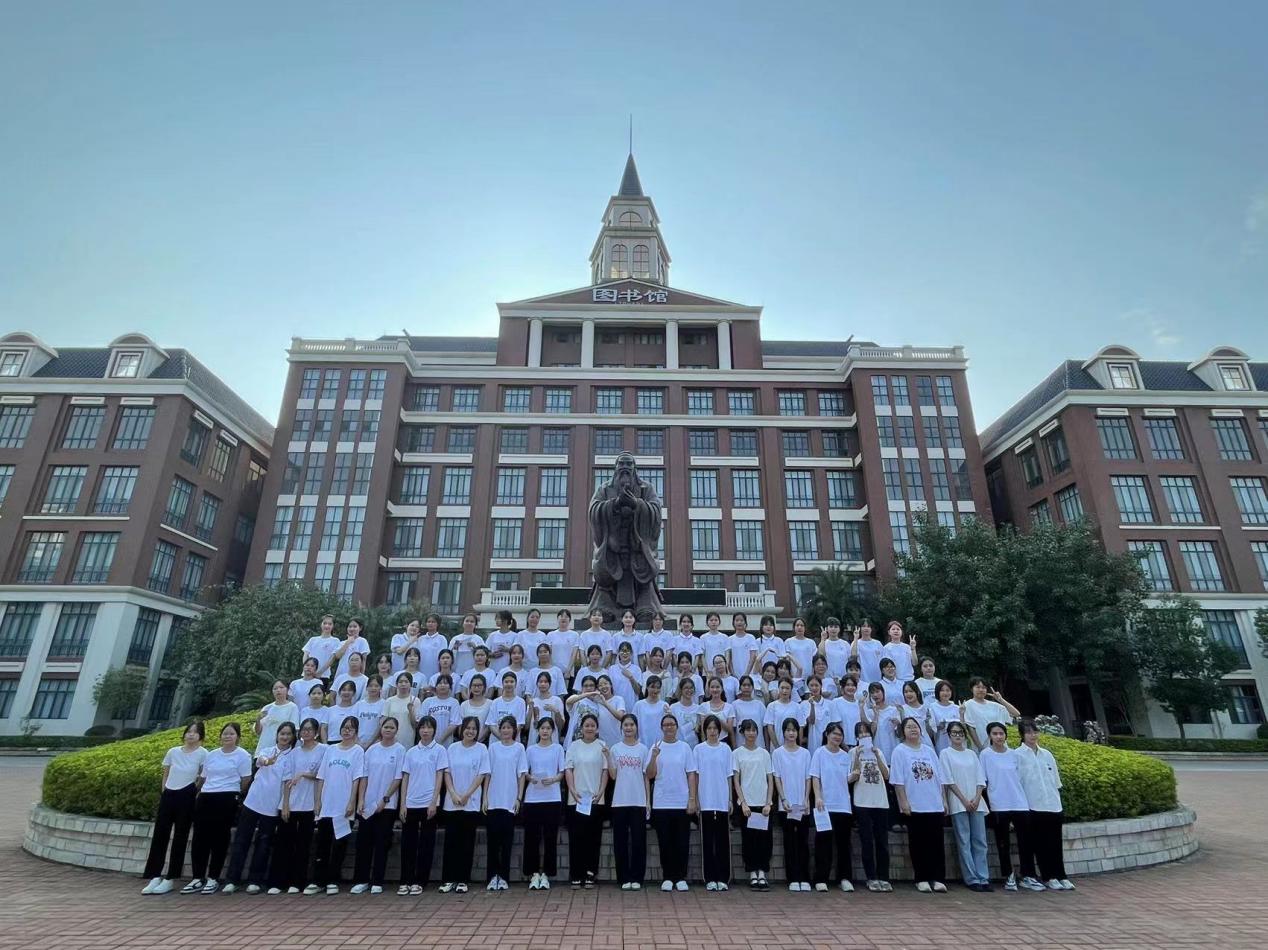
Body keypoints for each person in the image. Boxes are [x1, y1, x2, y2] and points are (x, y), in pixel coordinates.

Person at [224, 722, 295, 894]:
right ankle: (232, 879)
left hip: (271, 806)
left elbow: (287, 783)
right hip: (253, 802)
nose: (284, 737)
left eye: (288, 734)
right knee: (241, 840)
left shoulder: (292, 757)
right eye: (282, 733)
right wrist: (267, 761)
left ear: (293, 737)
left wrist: (285, 805)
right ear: (277, 735)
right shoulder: (267, 750)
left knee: (264, 843)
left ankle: (255, 880)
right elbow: (260, 761)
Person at [183, 722, 252, 895]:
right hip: (206, 797)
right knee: (200, 838)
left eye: (231, 734)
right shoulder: (212, 754)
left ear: (238, 737)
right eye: (225, 733)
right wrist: (197, 793)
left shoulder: (243, 755)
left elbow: (245, 780)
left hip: (227, 798)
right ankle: (197, 877)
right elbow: (203, 778)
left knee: (219, 838)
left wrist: (234, 793)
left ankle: (213, 877)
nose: (227, 736)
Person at [141, 720, 207, 895]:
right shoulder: (173, 751)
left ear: (201, 736)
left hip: (187, 795)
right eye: (189, 731)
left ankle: (170, 877)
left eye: (195, 732)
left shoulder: (203, 754)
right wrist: (164, 790)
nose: (191, 734)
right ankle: (155, 875)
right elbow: (166, 773)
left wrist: (194, 791)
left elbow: (203, 777)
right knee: (160, 835)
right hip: (169, 794)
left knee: (180, 836)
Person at [980, 721, 1044, 892]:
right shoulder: (985, 755)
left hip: (1019, 802)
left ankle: (1028, 875)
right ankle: (1008, 875)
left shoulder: (1014, 754)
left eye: (1001, 733)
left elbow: (1022, 778)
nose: (998, 737)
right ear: (990, 736)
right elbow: (984, 781)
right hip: (999, 804)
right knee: (1003, 842)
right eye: (995, 734)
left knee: (1026, 841)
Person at [890, 716, 948, 893]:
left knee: (936, 843)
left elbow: (939, 778)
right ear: (903, 732)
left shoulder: (929, 751)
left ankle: (938, 878)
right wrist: (903, 803)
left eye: (915, 726)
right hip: (915, 804)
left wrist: (944, 800)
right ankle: (921, 878)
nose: (913, 729)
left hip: (934, 804)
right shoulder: (899, 751)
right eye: (909, 727)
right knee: (918, 843)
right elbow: (898, 781)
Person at [1016, 719, 1075, 890]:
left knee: (1056, 843)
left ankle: (1061, 875)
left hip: (1053, 805)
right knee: (1041, 844)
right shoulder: (1018, 755)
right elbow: (1018, 784)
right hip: (1034, 806)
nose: (1032, 735)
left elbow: (1055, 781)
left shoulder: (1047, 754)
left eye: (1035, 731)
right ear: (1022, 735)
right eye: (1028, 732)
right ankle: (1048, 876)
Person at [309, 716, 364, 894]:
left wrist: (352, 802)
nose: (347, 731)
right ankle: (319, 881)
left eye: (351, 728)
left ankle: (333, 880)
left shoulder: (358, 751)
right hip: (327, 804)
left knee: (339, 844)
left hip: (344, 806)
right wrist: (318, 801)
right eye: (344, 727)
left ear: (356, 732)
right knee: (322, 843)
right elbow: (321, 777)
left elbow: (357, 779)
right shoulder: (331, 750)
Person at [349, 717, 404, 894]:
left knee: (382, 842)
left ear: (396, 730)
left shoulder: (400, 750)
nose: (388, 730)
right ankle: (361, 880)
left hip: (387, 805)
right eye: (386, 727)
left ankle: (377, 880)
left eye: (392, 727)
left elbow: (398, 778)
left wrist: (385, 799)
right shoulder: (372, 750)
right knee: (363, 842)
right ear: (381, 729)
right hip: (368, 804)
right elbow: (364, 776)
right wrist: (361, 799)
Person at [272, 717, 326, 894]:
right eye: (304, 729)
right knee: (283, 843)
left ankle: (297, 882)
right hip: (291, 803)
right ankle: (278, 882)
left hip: (309, 804)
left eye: (310, 729)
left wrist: (303, 774)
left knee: (303, 845)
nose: (306, 732)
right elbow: (287, 779)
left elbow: (322, 774)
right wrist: (285, 804)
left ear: (316, 732)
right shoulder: (294, 752)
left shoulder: (324, 750)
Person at [439, 717, 491, 894]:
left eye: (474, 729)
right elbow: (447, 773)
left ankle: (462, 880)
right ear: (462, 730)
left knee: (467, 843)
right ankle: (448, 879)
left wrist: (467, 794)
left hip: (471, 803)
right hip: (452, 802)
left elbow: (481, 775)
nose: (470, 731)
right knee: (450, 842)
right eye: (468, 728)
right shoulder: (452, 748)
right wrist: (453, 793)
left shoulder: (481, 749)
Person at [939, 720, 991, 891]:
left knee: (980, 840)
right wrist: (963, 800)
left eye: (961, 733)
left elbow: (980, 778)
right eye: (954, 733)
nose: (958, 736)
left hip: (977, 801)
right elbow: (948, 780)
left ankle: (983, 877)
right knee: (964, 841)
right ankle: (971, 878)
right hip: (958, 802)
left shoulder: (971, 754)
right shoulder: (945, 754)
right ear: (949, 735)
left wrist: (976, 798)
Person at [648, 713, 697, 891]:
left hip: (681, 801)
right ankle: (668, 876)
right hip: (661, 802)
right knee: (665, 842)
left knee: (682, 842)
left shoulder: (684, 747)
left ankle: (680, 876)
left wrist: (692, 799)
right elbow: (650, 775)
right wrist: (654, 757)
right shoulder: (656, 747)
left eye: (672, 724)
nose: (669, 727)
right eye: (666, 725)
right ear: (661, 728)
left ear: (676, 727)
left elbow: (691, 774)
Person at [398, 716, 447, 895]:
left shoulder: (440, 750)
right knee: (408, 843)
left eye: (429, 727)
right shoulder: (411, 752)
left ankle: (420, 881)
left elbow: (439, 777)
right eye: (422, 727)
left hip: (429, 803)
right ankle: (406, 880)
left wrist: (434, 801)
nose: (425, 731)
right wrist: (403, 803)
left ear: (434, 730)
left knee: (427, 843)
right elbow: (405, 778)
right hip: (411, 802)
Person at [564, 712, 608, 888]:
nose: (589, 728)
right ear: (581, 728)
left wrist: (601, 791)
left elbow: (605, 770)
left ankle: (591, 873)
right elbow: (568, 769)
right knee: (576, 838)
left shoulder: (602, 746)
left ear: (597, 729)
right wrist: (573, 790)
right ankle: (576, 873)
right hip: (577, 800)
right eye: (586, 725)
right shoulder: (574, 746)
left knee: (593, 838)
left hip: (596, 800)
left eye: (592, 725)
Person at [484, 716, 528, 891]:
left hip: (509, 801)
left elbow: (522, 775)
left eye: (509, 727)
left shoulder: (519, 748)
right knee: (492, 842)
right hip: (493, 800)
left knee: (507, 842)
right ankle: (492, 876)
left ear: (514, 730)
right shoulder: (493, 748)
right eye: (503, 727)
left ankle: (504, 877)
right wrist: (485, 797)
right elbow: (487, 774)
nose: (506, 730)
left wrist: (519, 798)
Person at [809, 721, 854, 893]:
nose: (837, 737)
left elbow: (847, 779)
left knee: (844, 844)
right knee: (823, 842)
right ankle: (821, 878)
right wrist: (818, 797)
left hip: (843, 805)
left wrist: (855, 773)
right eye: (834, 733)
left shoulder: (846, 756)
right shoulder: (819, 753)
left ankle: (844, 878)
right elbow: (815, 777)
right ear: (827, 735)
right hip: (825, 806)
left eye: (840, 735)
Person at [608, 713, 651, 889]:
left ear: (636, 727)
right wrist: (607, 756)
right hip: (620, 801)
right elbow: (612, 776)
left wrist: (648, 802)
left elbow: (646, 777)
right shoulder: (615, 749)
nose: (628, 728)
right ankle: (624, 878)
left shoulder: (643, 749)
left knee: (639, 841)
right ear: (621, 728)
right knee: (620, 842)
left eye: (631, 725)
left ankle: (637, 878)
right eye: (625, 725)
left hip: (638, 801)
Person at [522, 717, 565, 890]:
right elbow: (525, 771)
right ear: (538, 730)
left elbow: (562, 772)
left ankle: (547, 874)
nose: (545, 731)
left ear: (552, 731)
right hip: (532, 798)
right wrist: (531, 778)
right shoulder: (531, 750)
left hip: (552, 798)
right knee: (531, 838)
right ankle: (533, 874)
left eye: (548, 728)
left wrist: (554, 779)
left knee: (550, 837)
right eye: (542, 728)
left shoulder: (558, 749)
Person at [849, 721, 891, 892]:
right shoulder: (852, 752)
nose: (864, 735)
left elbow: (887, 775)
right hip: (862, 802)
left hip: (880, 801)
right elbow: (852, 777)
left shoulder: (878, 751)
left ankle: (884, 877)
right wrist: (857, 758)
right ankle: (871, 877)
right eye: (860, 733)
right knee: (867, 841)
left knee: (882, 841)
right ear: (856, 737)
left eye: (866, 732)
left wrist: (877, 756)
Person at [732, 719, 774, 890]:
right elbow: (736, 780)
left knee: (764, 840)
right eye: (748, 730)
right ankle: (752, 873)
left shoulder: (764, 753)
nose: (751, 733)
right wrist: (743, 803)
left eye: (754, 730)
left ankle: (762, 873)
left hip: (763, 805)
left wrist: (768, 803)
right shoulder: (737, 753)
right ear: (742, 733)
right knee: (749, 840)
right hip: (747, 805)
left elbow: (770, 779)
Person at [695, 715, 736, 891]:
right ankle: (710, 877)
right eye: (709, 728)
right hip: (705, 800)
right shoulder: (698, 749)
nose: (712, 731)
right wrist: (696, 799)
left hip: (721, 801)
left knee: (722, 841)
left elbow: (729, 776)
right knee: (707, 840)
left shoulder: (726, 749)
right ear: (705, 730)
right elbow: (696, 776)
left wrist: (730, 799)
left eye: (715, 728)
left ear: (720, 731)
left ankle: (723, 877)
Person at [772, 717, 811, 892]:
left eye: (794, 730)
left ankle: (805, 877)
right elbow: (777, 778)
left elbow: (808, 778)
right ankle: (793, 878)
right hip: (786, 805)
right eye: (788, 730)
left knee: (803, 841)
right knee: (789, 842)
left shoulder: (805, 753)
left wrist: (806, 799)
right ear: (783, 732)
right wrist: (783, 799)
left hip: (802, 804)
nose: (791, 733)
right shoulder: (778, 753)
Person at [963, 677, 1021, 751]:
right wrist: (980, 747)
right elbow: (971, 728)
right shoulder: (968, 705)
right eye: (978, 687)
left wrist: (1001, 700)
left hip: (1000, 746)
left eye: (984, 687)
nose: (981, 690)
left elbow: (1016, 714)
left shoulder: (994, 705)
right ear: (972, 689)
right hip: (981, 747)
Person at [255, 680, 300, 751]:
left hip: (283, 748)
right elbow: (258, 731)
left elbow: (294, 729)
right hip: (264, 747)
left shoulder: (292, 707)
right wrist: (258, 720)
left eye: (281, 687)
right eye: (275, 688)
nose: (278, 690)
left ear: (287, 690)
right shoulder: (267, 708)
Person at [763, 678, 805, 750]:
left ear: (791, 690)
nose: (784, 691)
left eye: (787, 688)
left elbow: (800, 727)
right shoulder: (772, 706)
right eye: (782, 688)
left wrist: (797, 746)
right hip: (776, 747)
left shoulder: (797, 707)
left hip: (793, 747)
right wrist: (777, 746)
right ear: (778, 688)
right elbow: (770, 728)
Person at [487, 671, 528, 742]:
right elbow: (491, 724)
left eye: (512, 682)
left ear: (516, 684)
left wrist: (509, 739)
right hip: (496, 741)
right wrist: (502, 738)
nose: (509, 684)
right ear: (502, 684)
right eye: (506, 682)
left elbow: (519, 724)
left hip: (513, 741)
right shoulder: (495, 702)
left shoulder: (521, 702)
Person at [419, 674, 460, 745]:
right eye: (440, 683)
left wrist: (440, 740)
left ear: (450, 687)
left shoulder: (454, 702)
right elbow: (422, 721)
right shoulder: (427, 701)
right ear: (436, 686)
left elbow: (454, 724)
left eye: (445, 683)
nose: (442, 685)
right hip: (428, 741)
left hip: (447, 742)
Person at [526, 671, 566, 741]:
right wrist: (530, 708)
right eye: (540, 682)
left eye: (545, 682)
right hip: (534, 740)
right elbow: (526, 726)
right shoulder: (533, 701)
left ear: (550, 684)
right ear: (537, 684)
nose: (543, 684)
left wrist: (556, 711)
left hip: (552, 740)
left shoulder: (557, 700)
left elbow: (561, 726)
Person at [633, 675, 670, 749]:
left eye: (658, 687)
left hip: (660, 744)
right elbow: (633, 724)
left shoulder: (664, 705)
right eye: (652, 687)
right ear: (647, 687)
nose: (655, 690)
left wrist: (669, 715)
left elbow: (668, 724)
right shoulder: (639, 705)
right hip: (643, 743)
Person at [732, 676, 767, 749]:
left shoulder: (759, 705)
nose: (746, 687)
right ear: (740, 688)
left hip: (759, 744)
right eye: (744, 685)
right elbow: (733, 729)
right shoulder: (734, 705)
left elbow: (765, 727)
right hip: (741, 744)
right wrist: (734, 746)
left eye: (749, 685)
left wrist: (767, 746)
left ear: (753, 687)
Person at [302, 614, 341, 682]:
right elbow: (306, 655)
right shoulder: (313, 639)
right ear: (321, 624)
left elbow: (332, 658)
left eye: (330, 624)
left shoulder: (335, 641)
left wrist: (320, 672)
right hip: (307, 675)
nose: (327, 626)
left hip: (323, 676)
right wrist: (308, 668)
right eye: (324, 623)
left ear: (333, 626)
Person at [592, 674, 627, 747]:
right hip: (602, 742)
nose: (603, 686)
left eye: (605, 683)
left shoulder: (618, 699)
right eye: (600, 685)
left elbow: (621, 717)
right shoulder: (596, 701)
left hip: (618, 741)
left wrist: (605, 703)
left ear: (611, 685)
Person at [802, 675, 834, 753]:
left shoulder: (830, 704)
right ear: (808, 687)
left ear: (821, 686)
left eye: (816, 685)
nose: (814, 688)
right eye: (811, 685)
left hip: (829, 741)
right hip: (813, 741)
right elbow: (811, 721)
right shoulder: (804, 704)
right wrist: (812, 705)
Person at [784, 617, 817, 691]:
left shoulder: (811, 642)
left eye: (802, 625)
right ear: (794, 628)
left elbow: (815, 660)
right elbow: (787, 660)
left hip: (808, 676)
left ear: (805, 628)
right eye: (797, 625)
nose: (799, 627)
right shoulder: (788, 642)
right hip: (794, 676)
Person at [669, 676, 703, 747]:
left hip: (694, 745)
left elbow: (700, 730)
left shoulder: (698, 708)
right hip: (678, 745)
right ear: (681, 690)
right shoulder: (673, 708)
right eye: (686, 688)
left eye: (691, 688)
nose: (689, 690)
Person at [608, 640, 644, 710]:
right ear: (618, 653)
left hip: (632, 705)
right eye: (622, 651)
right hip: (615, 707)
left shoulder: (636, 669)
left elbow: (638, 691)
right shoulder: (612, 669)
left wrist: (631, 677)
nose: (625, 653)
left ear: (631, 653)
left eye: (627, 651)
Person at [352, 675, 386, 748]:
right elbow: (353, 724)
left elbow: (381, 725)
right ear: (367, 687)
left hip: (376, 743)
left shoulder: (384, 704)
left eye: (376, 686)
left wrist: (370, 743)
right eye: (370, 686)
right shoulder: (359, 704)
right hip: (358, 743)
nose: (373, 688)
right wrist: (357, 741)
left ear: (381, 688)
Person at [701, 675, 736, 745]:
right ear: (709, 689)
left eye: (717, 687)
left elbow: (729, 729)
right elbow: (703, 730)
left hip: (724, 741)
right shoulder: (703, 706)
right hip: (708, 742)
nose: (715, 690)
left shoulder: (729, 707)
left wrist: (715, 717)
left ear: (722, 689)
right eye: (712, 687)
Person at [383, 672, 420, 737]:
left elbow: (416, 725)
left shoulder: (415, 701)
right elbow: (384, 723)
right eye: (400, 682)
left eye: (406, 682)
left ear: (411, 684)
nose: (403, 684)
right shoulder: (389, 701)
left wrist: (410, 711)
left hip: (408, 738)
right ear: (396, 684)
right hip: (391, 738)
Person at [929, 680, 961, 753]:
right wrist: (939, 727)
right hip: (941, 742)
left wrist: (962, 714)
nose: (945, 693)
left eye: (948, 690)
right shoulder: (932, 707)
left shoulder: (957, 708)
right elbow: (931, 729)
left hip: (956, 743)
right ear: (938, 692)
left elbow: (963, 727)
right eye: (942, 690)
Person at [901, 681, 935, 748]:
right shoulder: (902, 709)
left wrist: (928, 722)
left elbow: (931, 733)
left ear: (917, 692)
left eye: (911, 691)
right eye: (906, 692)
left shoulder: (927, 709)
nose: (908, 694)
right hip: (910, 745)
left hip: (926, 744)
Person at [547, 608, 580, 676]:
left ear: (570, 620)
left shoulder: (575, 635)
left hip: (569, 672)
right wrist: (552, 669)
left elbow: (574, 655)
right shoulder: (550, 635)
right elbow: (548, 654)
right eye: (561, 616)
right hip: (553, 672)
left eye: (566, 617)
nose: (563, 618)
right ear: (557, 619)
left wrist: (568, 670)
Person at [458, 674, 492, 739]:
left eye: (479, 685)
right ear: (470, 687)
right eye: (474, 685)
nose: (476, 688)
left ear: (484, 687)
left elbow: (488, 727)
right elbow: (460, 725)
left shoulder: (490, 704)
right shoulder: (464, 705)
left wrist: (477, 740)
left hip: (483, 741)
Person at [818, 616, 849, 681]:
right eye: (831, 626)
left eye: (836, 627)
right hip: (827, 679)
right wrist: (823, 639)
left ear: (839, 629)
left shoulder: (845, 644)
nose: (833, 629)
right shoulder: (823, 644)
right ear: (827, 628)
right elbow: (821, 656)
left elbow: (850, 661)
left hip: (843, 679)